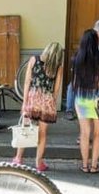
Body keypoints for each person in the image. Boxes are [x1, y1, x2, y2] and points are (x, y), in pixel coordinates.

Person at [12, 42, 64, 171]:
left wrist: (24, 102)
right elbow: (56, 89)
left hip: (32, 98)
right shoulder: (58, 67)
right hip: (47, 100)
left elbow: (27, 82)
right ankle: (38, 163)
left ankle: (18, 158)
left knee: (25, 129)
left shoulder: (33, 60)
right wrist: (51, 101)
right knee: (42, 133)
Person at [72, 29, 99, 173]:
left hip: (82, 96)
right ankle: (94, 166)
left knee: (84, 133)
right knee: (98, 134)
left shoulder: (77, 57)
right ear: (96, 41)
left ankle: (84, 165)